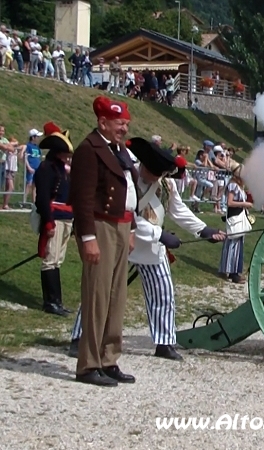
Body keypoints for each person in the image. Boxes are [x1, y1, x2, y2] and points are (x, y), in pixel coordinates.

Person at [68, 137, 227, 360]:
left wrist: (202, 230)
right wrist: (159, 234)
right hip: (124, 240)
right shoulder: (126, 180)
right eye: (152, 172)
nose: (155, 177)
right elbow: (128, 216)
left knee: (163, 294)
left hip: (152, 249)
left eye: (159, 174)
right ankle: (80, 337)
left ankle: (164, 342)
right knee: (99, 291)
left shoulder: (166, 184)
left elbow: (178, 210)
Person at [68, 95, 138, 387]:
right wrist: (88, 237)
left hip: (122, 226)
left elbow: (129, 188)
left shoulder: (118, 149)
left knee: (116, 297)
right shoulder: (89, 149)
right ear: (103, 123)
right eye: (119, 124)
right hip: (101, 226)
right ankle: (89, 364)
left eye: (125, 123)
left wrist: (132, 228)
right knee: (97, 297)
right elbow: (82, 199)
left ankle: (109, 358)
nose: (124, 128)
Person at [34, 122, 74, 317]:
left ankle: (57, 300)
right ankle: (50, 301)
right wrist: (48, 221)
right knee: (50, 260)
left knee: (58, 259)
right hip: (55, 218)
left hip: (66, 218)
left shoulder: (62, 170)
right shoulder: (47, 168)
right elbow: (42, 198)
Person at [219, 165, 252, 283]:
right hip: (235, 216)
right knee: (233, 244)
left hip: (238, 216)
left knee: (236, 244)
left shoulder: (239, 186)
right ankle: (232, 272)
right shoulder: (233, 185)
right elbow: (230, 202)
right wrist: (244, 204)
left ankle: (232, 270)